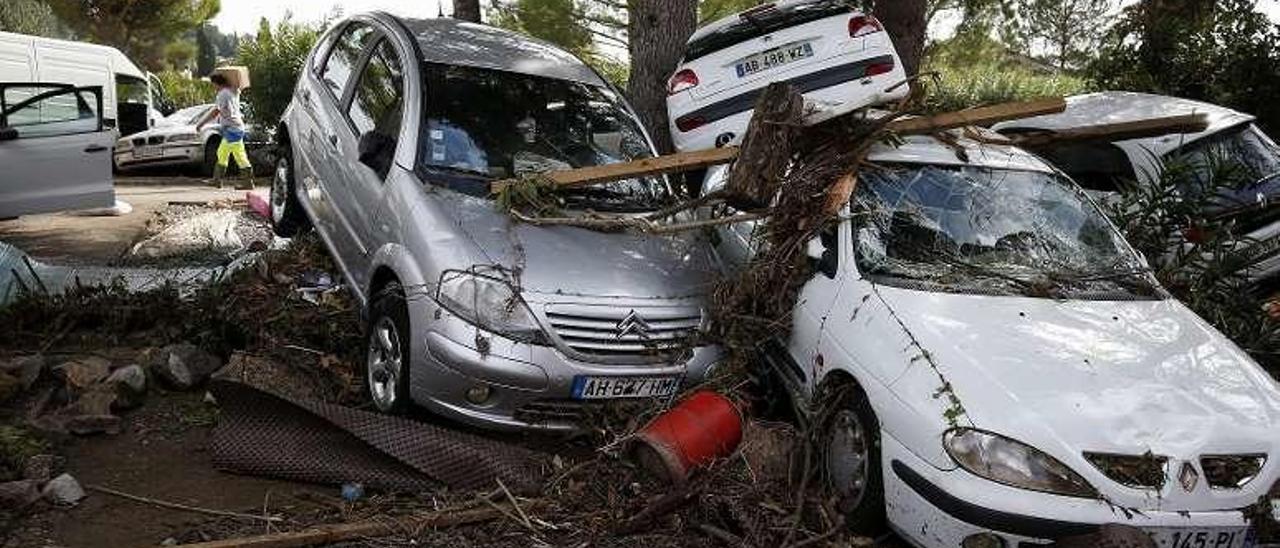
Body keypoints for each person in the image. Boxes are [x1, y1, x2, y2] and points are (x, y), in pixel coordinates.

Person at [196, 73, 253, 189]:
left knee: (236, 156)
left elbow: (216, 111)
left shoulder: (222, 94)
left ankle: (245, 182)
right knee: (226, 153)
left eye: (213, 84)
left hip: (232, 129)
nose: (213, 87)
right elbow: (239, 87)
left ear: (217, 83)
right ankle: (218, 180)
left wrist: (201, 123)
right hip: (236, 128)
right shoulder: (234, 91)